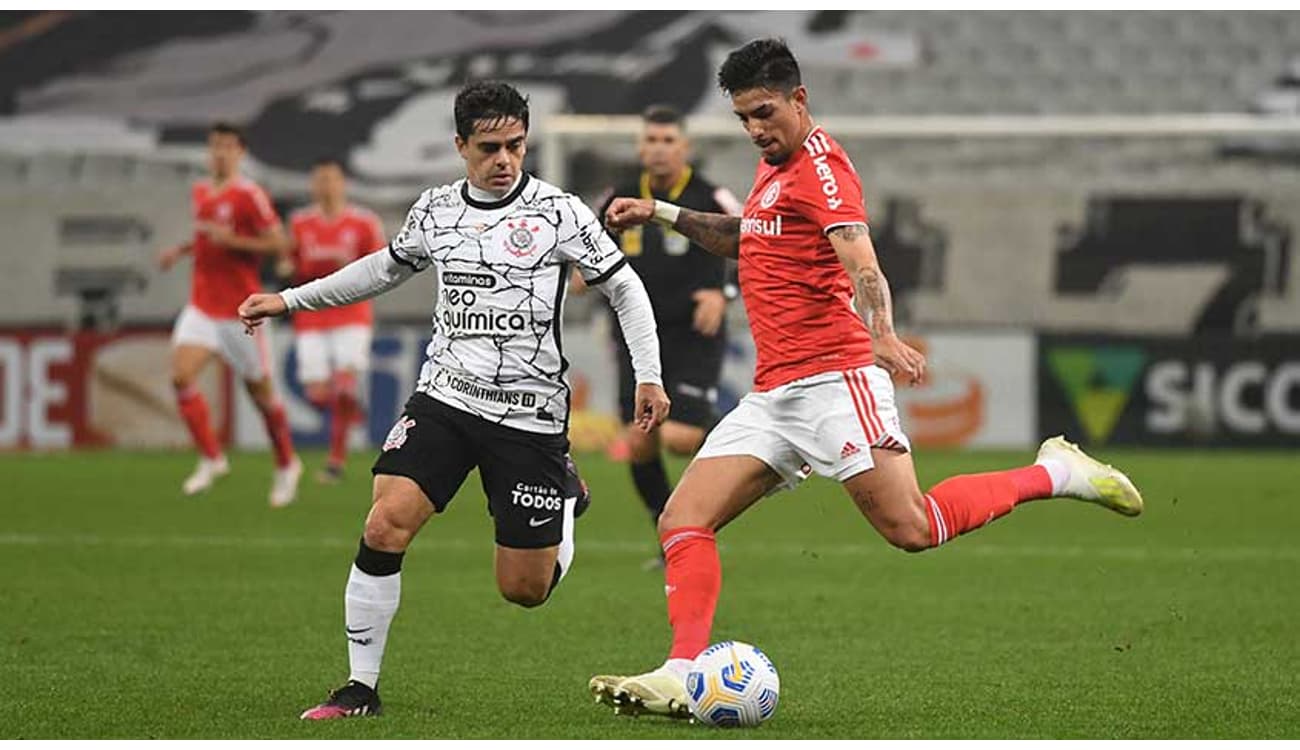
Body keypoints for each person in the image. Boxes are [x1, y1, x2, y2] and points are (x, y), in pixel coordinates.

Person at [588, 38, 1145, 719]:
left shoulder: (822, 168)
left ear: (800, 99)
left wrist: (881, 330)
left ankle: (1054, 473)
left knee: (913, 527)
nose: (756, 128)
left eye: (765, 112)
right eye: (742, 118)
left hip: (835, 381)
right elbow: (748, 237)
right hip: (773, 395)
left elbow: (863, 263)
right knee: (683, 519)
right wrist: (662, 212)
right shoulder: (773, 166)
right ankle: (680, 669)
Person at [238, 81, 671, 720]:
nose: (505, 160)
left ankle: (565, 503)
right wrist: (290, 299)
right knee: (385, 522)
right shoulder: (435, 210)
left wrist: (649, 375)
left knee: (523, 591)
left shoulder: (559, 212)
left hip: (529, 415)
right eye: (490, 148)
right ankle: (361, 687)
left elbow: (625, 289)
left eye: (516, 146)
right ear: (460, 146)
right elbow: (381, 269)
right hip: (445, 395)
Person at [596, 105, 742, 563]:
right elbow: (591, 249)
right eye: (652, 141)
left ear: (685, 147)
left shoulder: (710, 196)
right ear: (641, 147)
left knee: (679, 436)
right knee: (639, 440)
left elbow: (756, 246)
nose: (659, 149)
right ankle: (672, 532)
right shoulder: (618, 196)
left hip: (693, 334)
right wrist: (581, 277)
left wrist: (725, 292)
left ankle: (749, 445)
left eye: (668, 141)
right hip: (637, 337)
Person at [157, 122, 302, 507]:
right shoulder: (201, 191)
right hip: (202, 306)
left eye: (226, 146)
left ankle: (287, 464)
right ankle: (211, 458)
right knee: (180, 376)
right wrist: (182, 250)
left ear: (240, 152)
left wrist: (233, 240)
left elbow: (278, 243)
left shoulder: (249, 195)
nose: (219, 153)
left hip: (242, 312)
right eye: (214, 146)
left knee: (261, 396)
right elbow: (206, 237)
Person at [285, 158, 386, 483]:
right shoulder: (300, 223)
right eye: (320, 180)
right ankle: (352, 410)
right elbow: (288, 263)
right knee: (316, 395)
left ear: (343, 183)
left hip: (352, 314)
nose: (326, 186)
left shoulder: (363, 222)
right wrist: (286, 269)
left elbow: (381, 266)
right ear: (313, 186)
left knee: (343, 387)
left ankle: (336, 461)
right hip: (311, 316)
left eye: (331, 179)